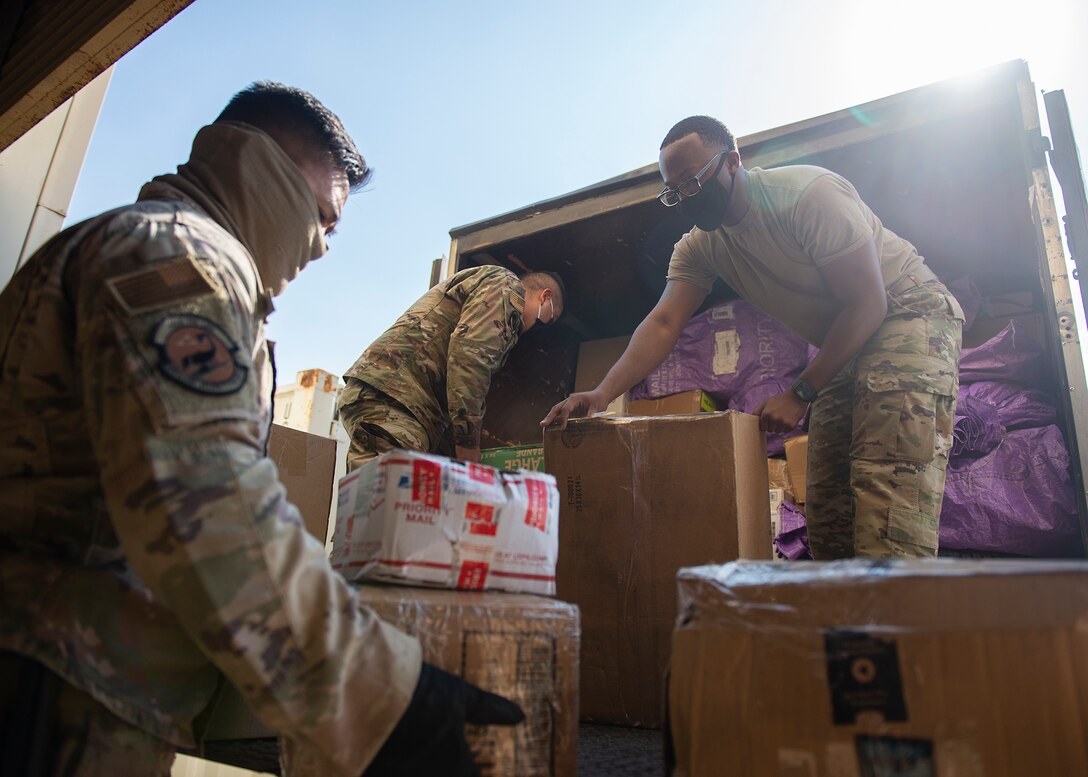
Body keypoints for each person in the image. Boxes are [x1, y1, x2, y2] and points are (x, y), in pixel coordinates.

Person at [0, 82, 522, 777]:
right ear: (265, 169)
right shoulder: (181, 263)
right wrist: (389, 696)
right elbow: (211, 510)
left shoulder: (135, 246)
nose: (324, 247)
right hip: (55, 690)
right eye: (326, 219)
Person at [542, 115, 963, 560]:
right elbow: (665, 321)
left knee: (888, 509)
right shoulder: (701, 246)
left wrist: (800, 391)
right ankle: (847, 625)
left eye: (693, 181)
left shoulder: (806, 196)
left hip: (907, 315)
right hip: (848, 343)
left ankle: (901, 619)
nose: (687, 198)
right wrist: (603, 392)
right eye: (674, 192)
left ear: (732, 162)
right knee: (830, 518)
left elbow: (867, 304)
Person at [339, 266, 565, 469]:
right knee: (389, 502)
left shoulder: (495, 295)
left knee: (396, 504)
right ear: (545, 297)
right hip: (395, 397)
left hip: (401, 400)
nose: (539, 327)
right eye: (548, 319)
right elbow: (470, 359)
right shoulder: (506, 285)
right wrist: (467, 441)